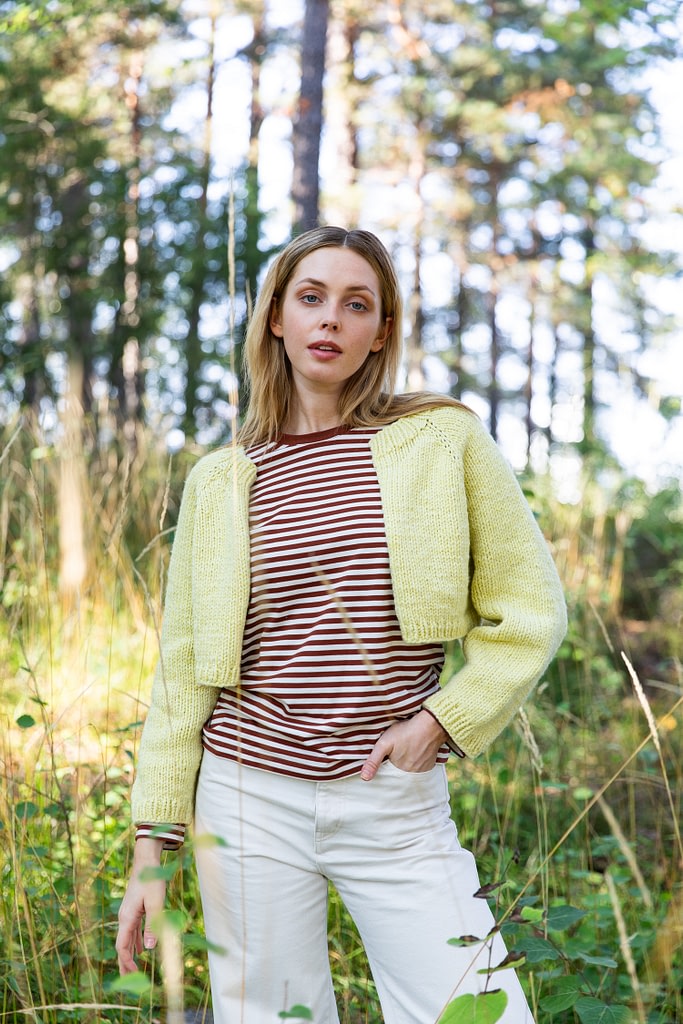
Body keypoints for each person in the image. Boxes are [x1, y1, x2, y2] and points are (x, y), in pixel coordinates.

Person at [115, 226, 567, 1024]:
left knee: (475, 1008)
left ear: (380, 332)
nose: (330, 318)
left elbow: (530, 610)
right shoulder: (219, 480)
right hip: (245, 797)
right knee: (270, 1015)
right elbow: (183, 671)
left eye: (356, 304)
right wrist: (152, 843)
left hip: (390, 795)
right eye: (310, 297)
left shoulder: (440, 439)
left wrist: (441, 721)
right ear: (277, 318)